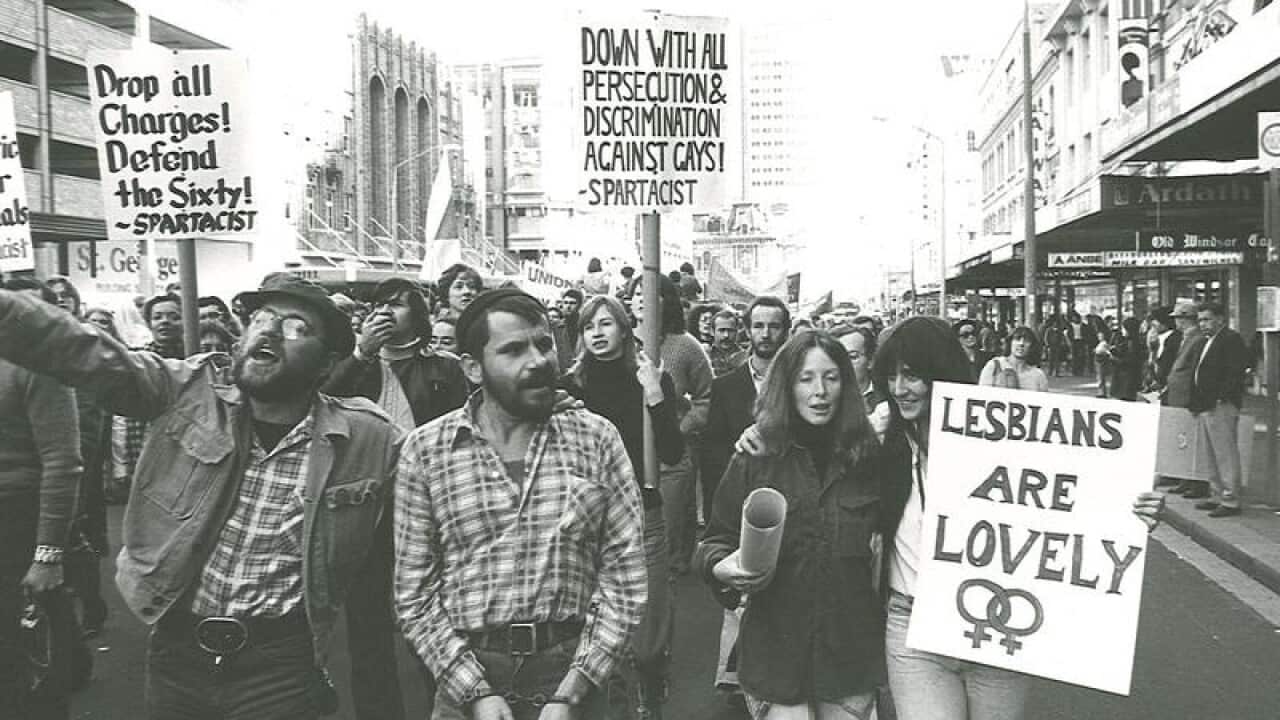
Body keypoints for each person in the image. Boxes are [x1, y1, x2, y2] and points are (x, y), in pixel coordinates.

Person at [0, 274, 402, 720]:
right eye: (261, 320)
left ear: (326, 365)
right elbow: (88, 354)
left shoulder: (368, 438)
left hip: (283, 664)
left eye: (295, 327)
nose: (267, 331)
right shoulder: (188, 390)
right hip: (176, 650)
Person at [871, 317, 1164, 720]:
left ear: (940, 373)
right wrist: (757, 442)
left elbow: (1070, 494)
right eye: (891, 376)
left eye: (912, 376)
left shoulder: (1003, 436)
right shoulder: (880, 438)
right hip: (913, 628)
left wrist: (1129, 511)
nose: (899, 389)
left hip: (998, 627)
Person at [395, 288, 647, 720]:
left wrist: (573, 689)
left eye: (544, 344)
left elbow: (625, 579)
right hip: (468, 672)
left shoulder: (596, 438)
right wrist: (473, 691)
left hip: (575, 668)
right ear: (473, 368)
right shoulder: (427, 451)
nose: (537, 361)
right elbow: (414, 594)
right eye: (513, 350)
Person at [697, 330, 884, 720]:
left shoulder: (869, 459)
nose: (820, 391)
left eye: (831, 377)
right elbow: (715, 540)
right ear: (787, 384)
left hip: (848, 656)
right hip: (776, 657)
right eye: (806, 378)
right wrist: (723, 567)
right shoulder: (755, 455)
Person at [323, 277, 470, 720]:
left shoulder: (444, 368)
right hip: (369, 511)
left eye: (400, 305)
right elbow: (321, 402)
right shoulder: (356, 363)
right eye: (380, 304)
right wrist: (361, 353)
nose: (387, 312)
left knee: (434, 623)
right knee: (367, 627)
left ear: (420, 318)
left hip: (429, 508)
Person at [563, 295, 684, 719]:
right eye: (588, 327)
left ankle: (652, 691)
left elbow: (671, 452)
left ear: (625, 328)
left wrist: (654, 395)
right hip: (591, 516)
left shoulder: (650, 378)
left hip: (644, 513)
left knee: (647, 635)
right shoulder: (570, 386)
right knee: (598, 634)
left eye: (605, 324)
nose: (596, 334)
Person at [0, 279, 83, 720]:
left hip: (17, 521)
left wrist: (47, 554)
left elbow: (63, 462)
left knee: (25, 659)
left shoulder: (37, 362)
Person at [701, 296, 790, 704]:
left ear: (785, 331)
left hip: (788, 501)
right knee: (740, 591)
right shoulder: (725, 387)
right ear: (747, 331)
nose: (766, 334)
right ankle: (738, 678)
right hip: (738, 506)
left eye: (774, 326)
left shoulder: (798, 383)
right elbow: (714, 451)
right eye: (759, 326)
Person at [632, 276, 712, 578]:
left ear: (668, 300)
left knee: (670, 536)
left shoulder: (687, 347)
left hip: (672, 456)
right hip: (630, 452)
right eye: (637, 293)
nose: (642, 299)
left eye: (651, 293)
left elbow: (706, 398)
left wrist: (679, 429)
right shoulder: (619, 340)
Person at [1187, 303, 1249, 518]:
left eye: (1207, 319)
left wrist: (1222, 396)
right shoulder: (1207, 341)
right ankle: (1216, 494)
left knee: (1224, 452)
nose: (1203, 324)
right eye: (1200, 320)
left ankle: (1231, 499)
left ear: (1220, 319)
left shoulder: (1230, 339)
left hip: (1220, 404)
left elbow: (1235, 370)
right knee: (1210, 453)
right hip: (1206, 404)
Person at [1161, 302, 1209, 498]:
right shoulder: (1186, 338)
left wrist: (1193, 397)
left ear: (1187, 319)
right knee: (1182, 440)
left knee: (1191, 440)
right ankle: (1184, 479)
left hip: (1186, 397)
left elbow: (1196, 371)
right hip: (1177, 395)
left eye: (1179, 318)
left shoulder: (1196, 340)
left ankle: (1195, 482)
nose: (1176, 322)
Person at [832, 324, 891, 438]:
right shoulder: (825, 402)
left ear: (870, 361)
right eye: (837, 357)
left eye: (852, 357)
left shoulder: (890, 397)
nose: (843, 364)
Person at [979, 326, 1049, 392]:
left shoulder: (1038, 375)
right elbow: (982, 395)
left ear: (1032, 346)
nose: (1021, 344)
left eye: (1027, 341)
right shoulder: (993, 366)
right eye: (1017, 339)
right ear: (1010, 342)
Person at [1108, 317, 1147, 401]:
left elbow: (1130, 361)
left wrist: (1114, 358)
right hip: (1126, 378)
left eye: (1124, 329)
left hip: (1126, 380)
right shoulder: (1130, 341)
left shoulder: (1133, 343)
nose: (1122, 331)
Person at [1146, 307, 1182, 395]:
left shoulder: (1175, 339)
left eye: (1155, 320)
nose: (1152, 324)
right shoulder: (1157, 340)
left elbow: (1167, 364)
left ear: (1164, 322)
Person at [707, 308, 747, 378]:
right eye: (722, 330)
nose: (726, 335)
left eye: (731, 331)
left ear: (737, 332)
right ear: (712, 332)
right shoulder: (704, 356)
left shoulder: (746, 358)